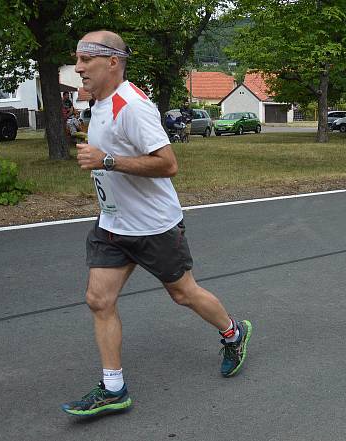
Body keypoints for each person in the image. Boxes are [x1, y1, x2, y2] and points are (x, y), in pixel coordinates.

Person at [61, 30, 252, 416]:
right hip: (112, 225)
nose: (78, 68)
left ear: (112, 61)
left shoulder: (132, 106)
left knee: (183, 294)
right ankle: (113, 388)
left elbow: (169, 164)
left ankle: (233, 332)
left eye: (85, 59)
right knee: (99, 300)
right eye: (77, 60)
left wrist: (107, 161)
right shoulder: (100, 100)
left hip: (153, 226)